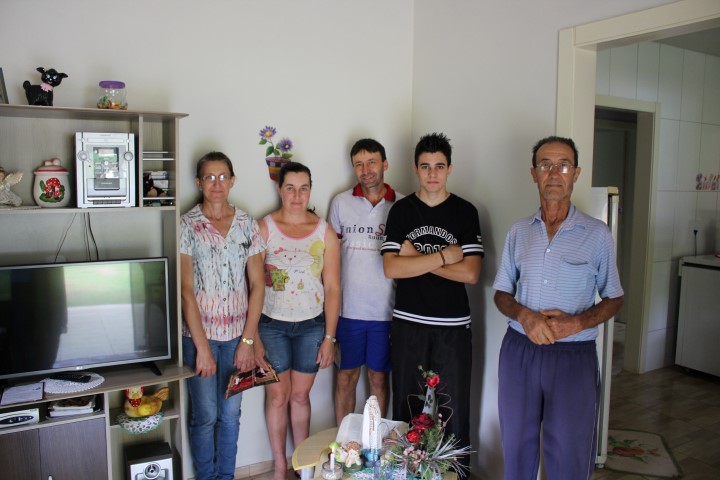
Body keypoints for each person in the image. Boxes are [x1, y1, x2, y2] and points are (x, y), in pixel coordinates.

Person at [493, 136, 624, 480]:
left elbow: (615, 298)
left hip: (573, 357)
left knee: (570, 454)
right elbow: (501, 294)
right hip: (520, 352)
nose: (554, 173)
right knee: (517, 449)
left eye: (563, 165)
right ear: (533, 174)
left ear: (575, 173)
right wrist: (524, 316)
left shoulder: (597, 235)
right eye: (545, 165)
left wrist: (577, 323)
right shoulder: (519, 232)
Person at [381, 132, 483, 458]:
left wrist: (416, 259)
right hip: (408, 322)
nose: (432, 174)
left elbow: (470, 273)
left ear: (450, 168)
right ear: (416, 168)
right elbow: (391, 268)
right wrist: (443, 257)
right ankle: (405, 472)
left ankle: (456, 475)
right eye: (425, 166)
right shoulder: (401, 210)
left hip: (453, 325)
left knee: (454, 409)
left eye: (439, 166)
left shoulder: (465, 212)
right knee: (406, 407)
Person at [180, 151, 266, 480]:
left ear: (232, 181)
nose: (216, 184)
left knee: (230, 417)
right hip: (198, 339)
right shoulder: (187, 225)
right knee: (204, 417)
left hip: (236, 340)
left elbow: (257, 285)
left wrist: (248, 341)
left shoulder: (247, 224)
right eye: (209, 177)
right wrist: (201, 348)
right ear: (199, 182)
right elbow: (186, 290)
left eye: (222, 177)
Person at [257, 161, 341, 480]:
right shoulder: (264, 228)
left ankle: (302, 466)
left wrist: (330, 338)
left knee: (300, 396)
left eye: (303, 188)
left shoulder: (324, 232)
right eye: (290, 188)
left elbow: (332, 288)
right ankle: (280, 466)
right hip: (272, 325)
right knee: (278, 396)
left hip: (311, 326)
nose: (297, 195)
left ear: (310, 190)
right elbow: (252, 284)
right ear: (280, 190)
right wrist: (252, 337)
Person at [328, 138, 403, 425]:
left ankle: (376, 442)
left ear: (385, 164)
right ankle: (342, 441)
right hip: (348, 312)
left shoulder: (403, 204)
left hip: (386, 313)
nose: (366, 169)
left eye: (372, 162)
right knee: (346, 377)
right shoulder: (340, 202)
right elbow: (331, 259)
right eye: (359, 164)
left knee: (379, 379)